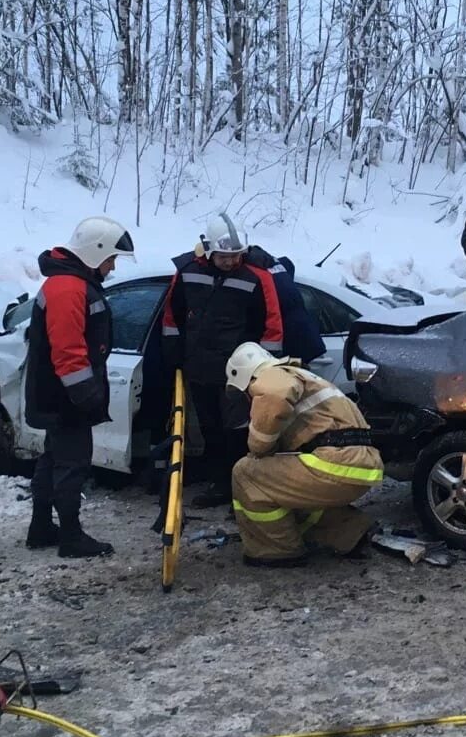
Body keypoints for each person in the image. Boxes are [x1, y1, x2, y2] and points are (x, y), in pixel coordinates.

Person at [24, 216, 134, 559]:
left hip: (55, 394)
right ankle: (70, 536)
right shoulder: (69, 288)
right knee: (72, 464)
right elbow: (69, 351)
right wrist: (85, 396)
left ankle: (41, 527)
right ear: (94, 252)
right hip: (65, 398)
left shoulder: (68, 283)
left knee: (52, 460)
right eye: (110, 259)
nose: (112, 267)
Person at [161, 213, 285, 508]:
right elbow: (172, 315)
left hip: (241, 370)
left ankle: (241, 485)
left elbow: (272, 324)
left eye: (236, 256)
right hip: (200, 365)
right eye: (225, 257)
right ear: (209, 251)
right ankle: (219, 481)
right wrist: (173, 350)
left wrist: (267, 366)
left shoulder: (257, 277)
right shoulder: (188, 271)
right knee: (209, 426)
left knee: (239, 429)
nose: (231, 262)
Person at [226, 342, 383, 567]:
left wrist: (259, 445)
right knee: (282, 483)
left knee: (246, 473)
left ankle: (275, 550)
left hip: (333, 462)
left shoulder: (272, 375)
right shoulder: (307, 377)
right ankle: (351, 532)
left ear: (246, 376)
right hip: (359, 464)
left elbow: (275, 394)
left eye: (244, 393)